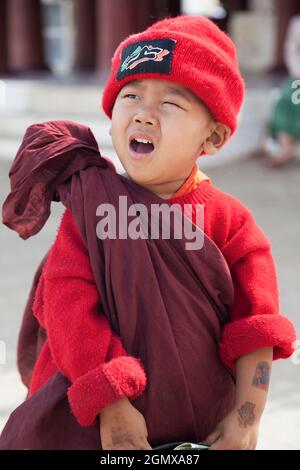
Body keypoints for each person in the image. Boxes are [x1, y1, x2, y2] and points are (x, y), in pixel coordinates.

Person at [1, 15, 296, 451]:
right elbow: (68, 308)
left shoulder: (231, 223)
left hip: (201, 428)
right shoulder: (94, 210)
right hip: (96, 429)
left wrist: (246, 416)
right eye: (131, 95)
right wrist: (110, 402)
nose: (143, 114)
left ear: (212, 138)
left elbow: (257, 326)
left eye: (170, 104)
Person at [263, 14, 300, 167]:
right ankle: (286, 147)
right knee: (286, 100)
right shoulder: (297, 23)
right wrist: (297, 73)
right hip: (297, 77)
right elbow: (291, 50)